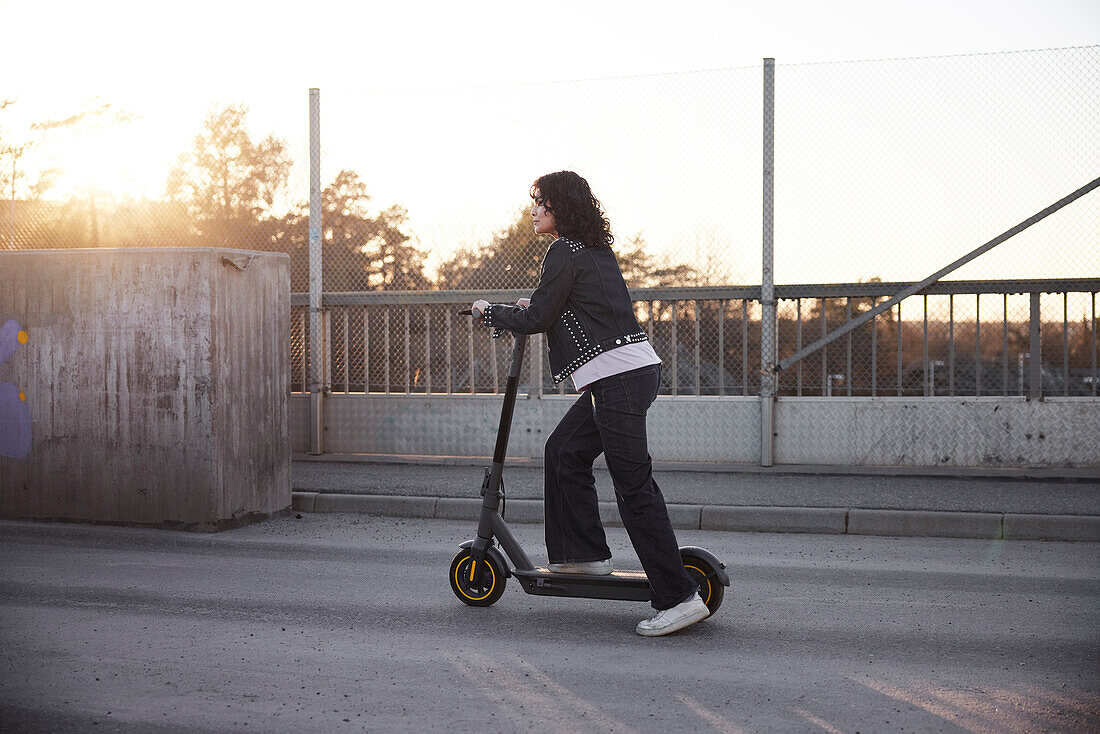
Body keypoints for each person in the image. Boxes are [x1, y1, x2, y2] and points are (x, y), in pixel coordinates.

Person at [471, 171, 709, 637]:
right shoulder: (594, 251)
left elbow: (540, 316)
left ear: (562, 206)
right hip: (630, 373)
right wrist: (532, 305)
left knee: (634, 489)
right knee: (564, 451)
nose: (534, 210)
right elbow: (567, 306)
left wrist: (490, 311)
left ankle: (679, 597)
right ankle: (583, 556)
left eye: (541, 202)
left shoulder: (562, 251)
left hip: (617, 379)